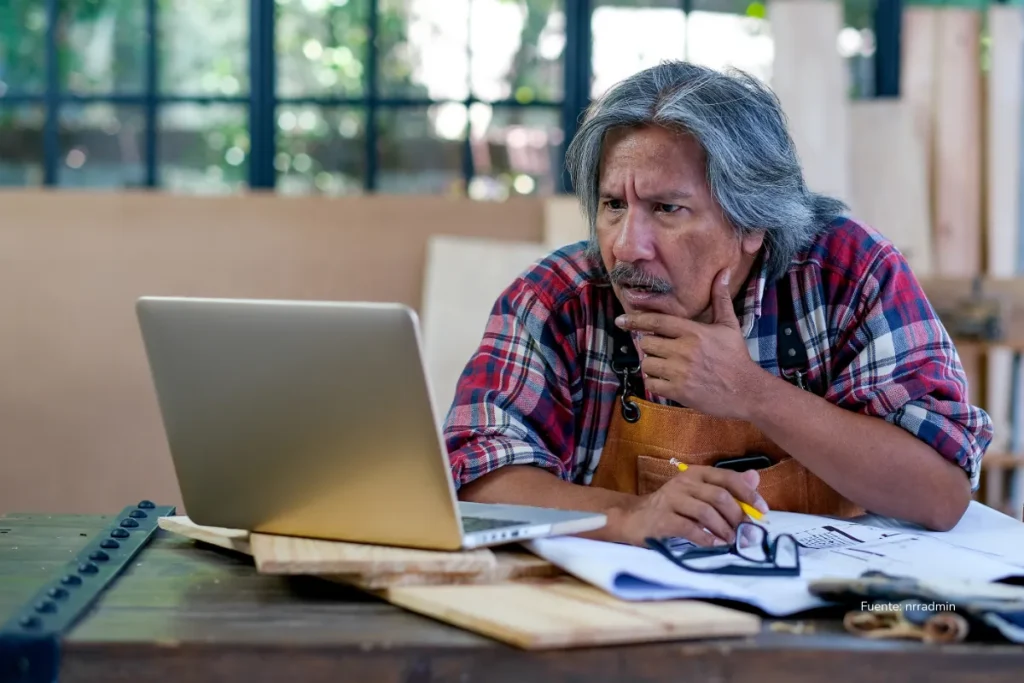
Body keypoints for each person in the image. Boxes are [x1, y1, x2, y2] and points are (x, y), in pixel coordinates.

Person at [442, 61, 992, 548]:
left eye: (667, 209)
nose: (626, 245)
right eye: (613, 205)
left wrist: (751, 392)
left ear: (753, 220)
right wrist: (633, 515)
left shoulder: (846, 272)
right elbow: (476, 478)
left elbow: (939, 494)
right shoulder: (559, 298)